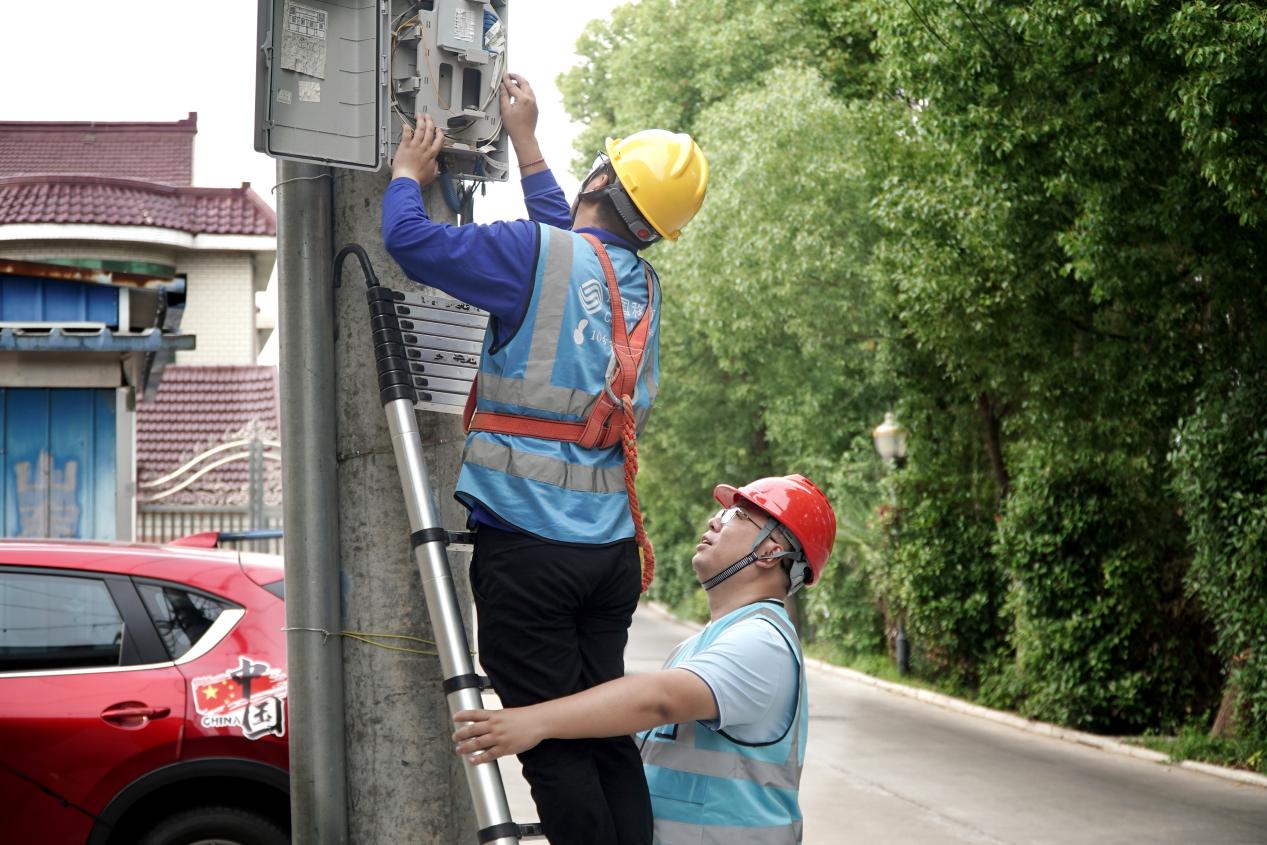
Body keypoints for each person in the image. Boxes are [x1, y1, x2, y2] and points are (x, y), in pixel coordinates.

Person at [382, 73, 708, 845]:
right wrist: (525, 143)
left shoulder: (536, 257)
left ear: (599, 178)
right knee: (602, 731)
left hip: (531, 552)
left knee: (551, 740)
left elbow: (410, 242)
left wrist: (405, 176)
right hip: (607, 558)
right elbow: (567, 243)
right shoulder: (637, 287)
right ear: (657, 229)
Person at [451, 475, 838, 845]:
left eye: (736, 515)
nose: (714, 520)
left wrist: (533, 721)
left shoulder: (762, 641)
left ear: (771, 551)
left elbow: (656, 700)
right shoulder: (706, 643)